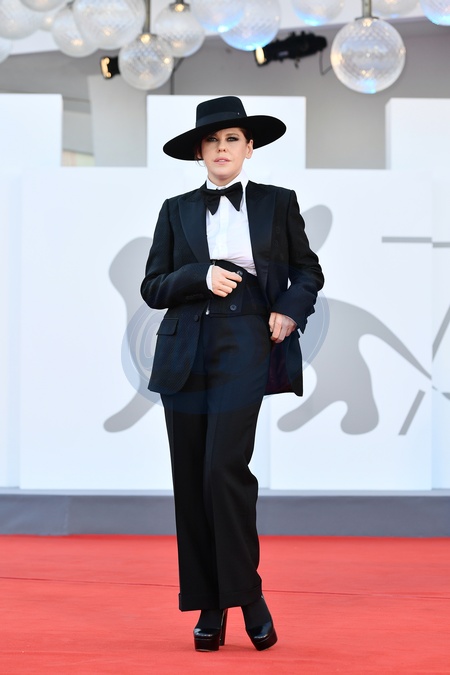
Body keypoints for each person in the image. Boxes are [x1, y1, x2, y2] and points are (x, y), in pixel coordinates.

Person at [140, 96, 324, 652]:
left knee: (224, 470)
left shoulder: (277, 202)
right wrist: (198, 276)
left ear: (249, 148)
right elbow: (153, 287)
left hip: (246, 341)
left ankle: (248, 594)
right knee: (191, 476)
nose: (222, 149)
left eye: (232, 140)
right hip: (185, 348)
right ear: (199, 152)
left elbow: (307, 271)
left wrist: (289, 310)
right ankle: (209, 604)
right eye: (212, 141)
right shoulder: (174, 209)